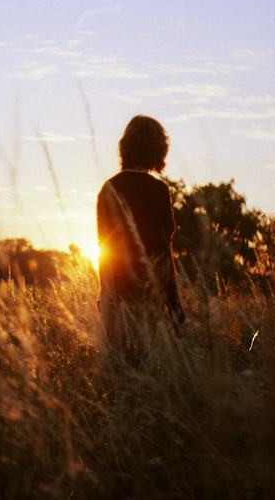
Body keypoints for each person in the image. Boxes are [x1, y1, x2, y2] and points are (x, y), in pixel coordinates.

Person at [97, 115, 185, 364]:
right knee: (138, 370)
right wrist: (176, 311)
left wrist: (104, 298)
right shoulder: (158, 191)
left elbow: (103, 251)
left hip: (113, 298)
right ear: (158, 148)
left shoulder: (107, 189)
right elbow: (163, 256)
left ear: (125, 146)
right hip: (146, 299)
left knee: (117, 371)